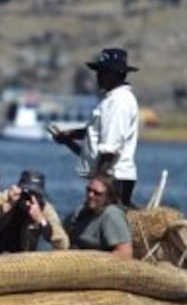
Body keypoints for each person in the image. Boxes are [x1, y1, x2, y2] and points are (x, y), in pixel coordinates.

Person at [50, 48, 140, 206]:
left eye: (103, 72)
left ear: (116, 74)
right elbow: (95, 139)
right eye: (98, 71)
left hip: (113, 180)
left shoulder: (118, 102)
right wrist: (69, 138)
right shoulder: (111, 100)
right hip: (108, 178)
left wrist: (98, 184)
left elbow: (110, 149)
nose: (98, 76)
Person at [0, 169, 69, 255]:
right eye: (27, 193)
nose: (29, 200)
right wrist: (7, 206)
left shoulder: (44, 208)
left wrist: (41, 221)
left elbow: (63, 244)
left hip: (23, 259)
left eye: (36, 195)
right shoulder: (5, 198)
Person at [64, 173, 133, 259]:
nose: (91, 195)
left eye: (97, 193)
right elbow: (61, 235)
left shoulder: (111, 215)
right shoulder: (80, 212)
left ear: (109, 197)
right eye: (89, 190)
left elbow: (125, 254)